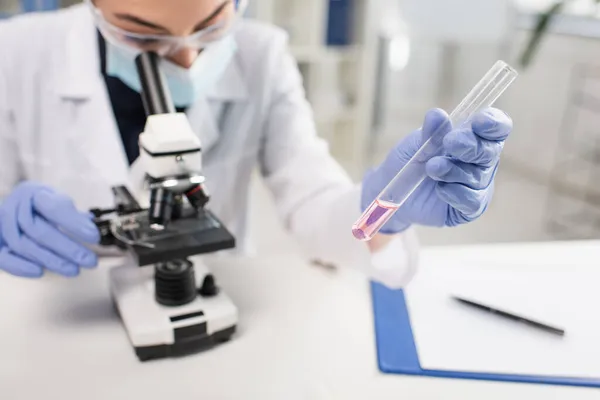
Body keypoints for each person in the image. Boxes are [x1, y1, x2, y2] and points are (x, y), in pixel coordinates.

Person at [0, 0, 512, 288]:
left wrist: (385, 209)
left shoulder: (263, 55)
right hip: (54, 313)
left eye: (211, 25)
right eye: (141, 35)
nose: (186, 61)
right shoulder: (17, 52)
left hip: (220, 296)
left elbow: (316, 206)